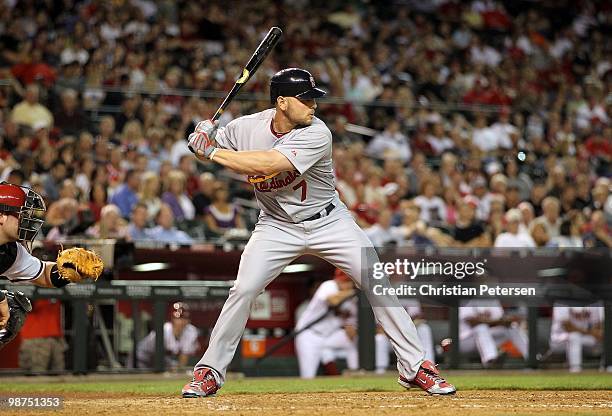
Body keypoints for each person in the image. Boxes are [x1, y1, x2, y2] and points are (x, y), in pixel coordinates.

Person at [183, 68, 455, 397]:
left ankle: (415, 367)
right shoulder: (245, 127)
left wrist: (209, 151)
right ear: (281, 102)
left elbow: (267, 164)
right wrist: (203, 131)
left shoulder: (317, 133)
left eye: (314, 99)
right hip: (276, 224)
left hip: (329, 220)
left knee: (376, 279)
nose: (314, 105)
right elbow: (210, 142)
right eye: (306, 99)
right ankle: (209, 370)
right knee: (243, 290)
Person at [0, 182, 100, 349]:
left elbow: (45, 275)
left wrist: (69, 268)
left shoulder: (9, 252)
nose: (28, 221)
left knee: (13, 309)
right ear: (1, 215)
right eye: (22, 215)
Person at [294, 269, 359, 378]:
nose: (345, 285)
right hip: (309, 335)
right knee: (308, 377)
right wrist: (354, 291)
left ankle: (356, 372)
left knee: (350, 342)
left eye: (348, 282)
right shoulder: (329, 285)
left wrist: (352, 330)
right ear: (337, 280)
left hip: (328, 337)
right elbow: (332, 300)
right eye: (343, 281)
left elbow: (351, 329)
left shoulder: (351, 301)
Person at [458, 299, 528, 367]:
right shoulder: (466, 300)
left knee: (512, 327)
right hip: (465, 341)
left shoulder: (493, 300)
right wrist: (494, 321)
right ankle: (491, 360)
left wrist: (504, 321)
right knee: (481, 328)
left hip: (486, 339)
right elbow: (473, 322)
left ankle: (531, 356)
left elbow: (500, 319)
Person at [136, 302, 200, 369]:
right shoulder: (165, 330)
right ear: (172, 319)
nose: (182, 321)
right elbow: (156, 355)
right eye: (178, 318)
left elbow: (184, 355)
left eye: (185, 318)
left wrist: (178, 370)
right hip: (142, 354)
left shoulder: (191, 331)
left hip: (160, 357)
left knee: (173, 365)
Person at [549, 303, 604, 373]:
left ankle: (606, 368)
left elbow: (598, 326)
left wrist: (597, 334)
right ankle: (575, 370)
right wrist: (590, 332)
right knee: (574, 336)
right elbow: (568, 327)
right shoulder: (561, 301)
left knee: (603, 337)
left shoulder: (593, 302)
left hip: (584, 338)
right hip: (559, 339)